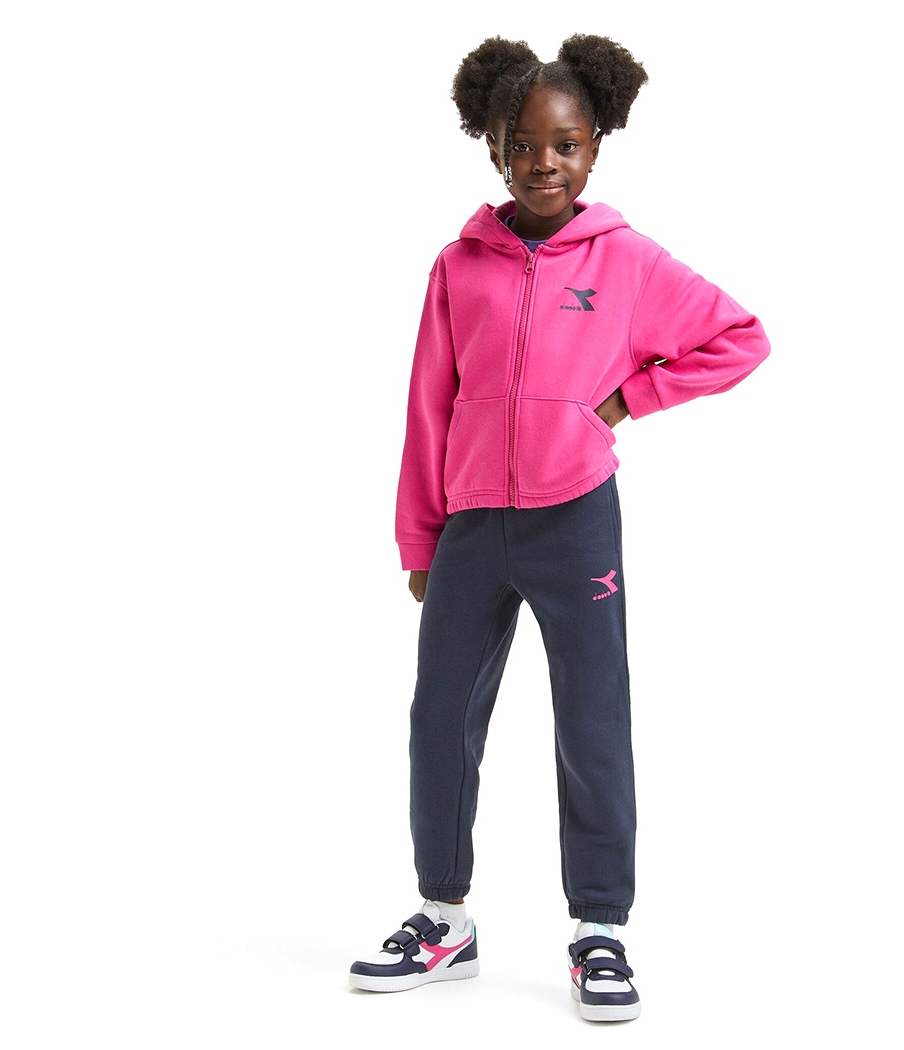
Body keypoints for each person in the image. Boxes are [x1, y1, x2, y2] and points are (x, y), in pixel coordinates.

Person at [349, 34, 770, 1022]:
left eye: (566, 145)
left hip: (575, 517)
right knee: (439, 719)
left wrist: (625, 400)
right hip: (469, 526)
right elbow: (427, 407)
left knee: (591, 721)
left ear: (596, 148)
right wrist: (419, 540)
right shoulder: (459, 266)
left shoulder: (626, 261)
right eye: (525, 145)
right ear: (494, 147)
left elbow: (740, 336)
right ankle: (443, 919)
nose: (545, 164)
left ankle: (599, 930)